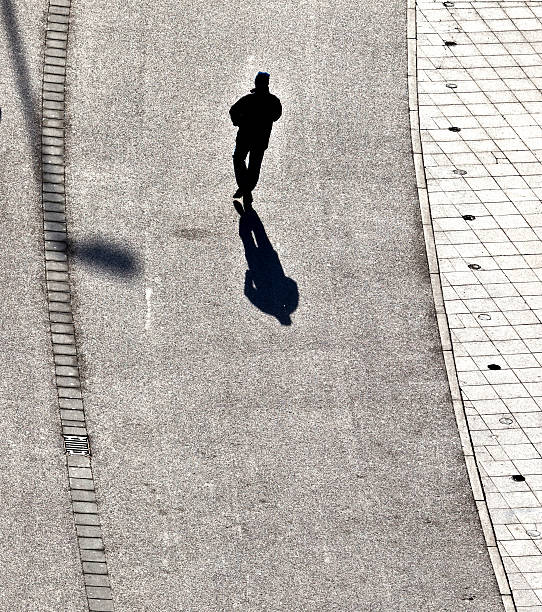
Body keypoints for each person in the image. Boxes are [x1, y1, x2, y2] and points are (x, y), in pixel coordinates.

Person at [229, 72, 282, 206]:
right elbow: (276, 116)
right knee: (254, 165)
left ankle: (244, 188)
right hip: (260, 138)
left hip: (245, 136)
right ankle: (246, 189)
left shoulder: (248, 99)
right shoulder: (273, 101)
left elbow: (233, 111)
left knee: (239, 159)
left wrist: (239, 122)